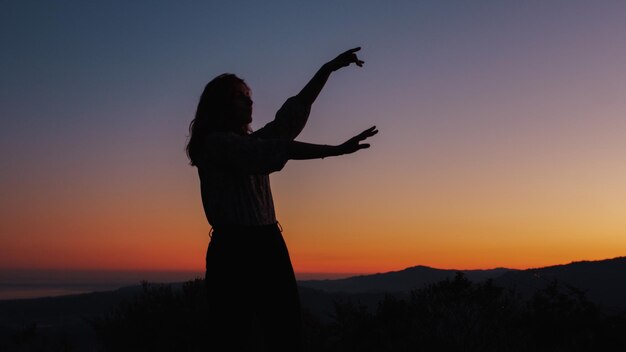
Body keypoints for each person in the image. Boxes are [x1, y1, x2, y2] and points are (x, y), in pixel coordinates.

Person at [186, 47, 377, 351]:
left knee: (285, 331)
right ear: (221, 105)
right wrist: (336, 149)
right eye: (240, 96)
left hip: (268, 244)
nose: (249, 101)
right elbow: (278, 149)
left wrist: (327, 69)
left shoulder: (248, 141)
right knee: (234, 335)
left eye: (249, 95)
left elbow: (291, 116)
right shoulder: (216, 145)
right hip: (235, 251)